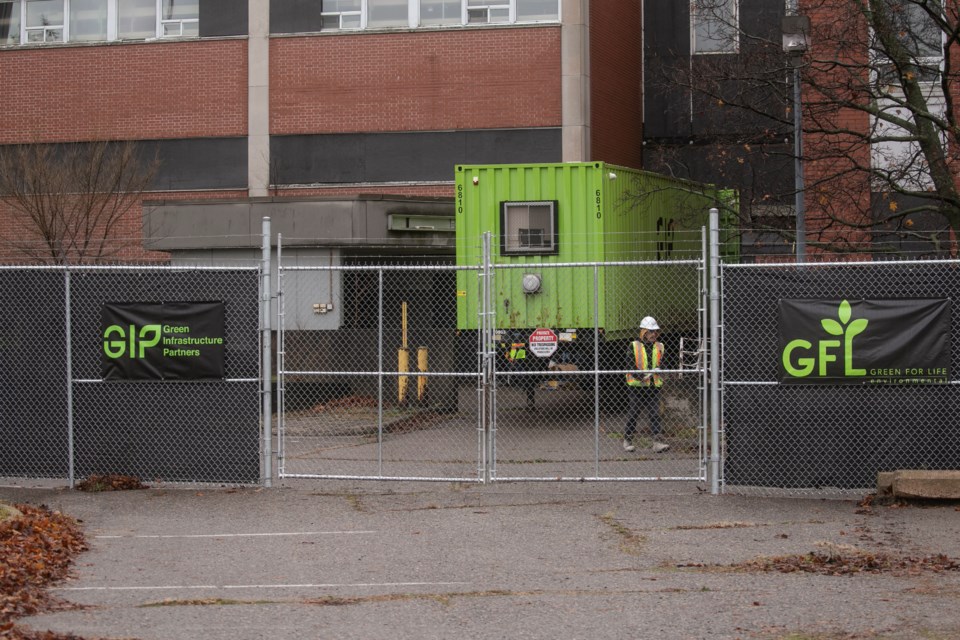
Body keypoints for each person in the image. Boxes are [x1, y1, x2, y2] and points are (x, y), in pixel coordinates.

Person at [623, 316, 670, 453]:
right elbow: (630, 366)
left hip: (653, 387)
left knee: (655, 414)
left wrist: (661, 370)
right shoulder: (633, 346)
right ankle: (628, 439)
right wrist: (641, 376)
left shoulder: (660, 346)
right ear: (643, 332)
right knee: (634, 413)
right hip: (637, 387)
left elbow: (664, 364)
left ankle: (657, 442)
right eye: (650, 331)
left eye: (655, 331)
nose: (653, 334)